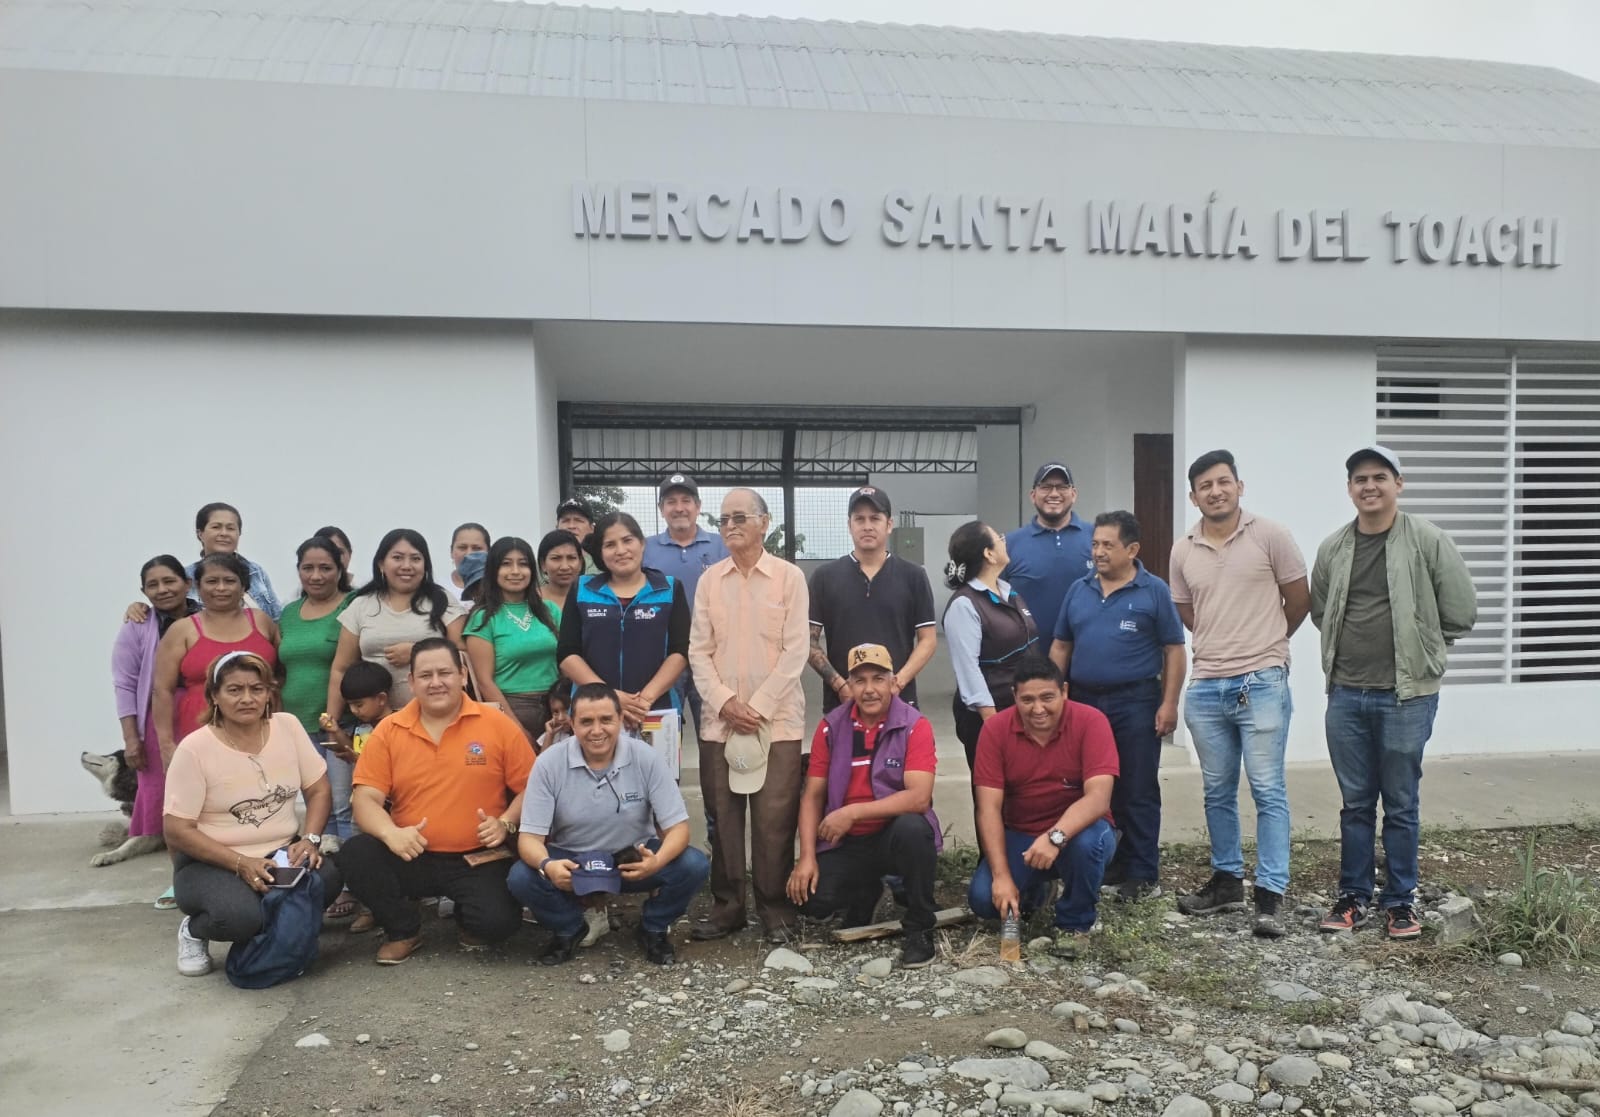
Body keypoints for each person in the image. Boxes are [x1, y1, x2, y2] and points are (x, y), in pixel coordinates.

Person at [1310, 445, 1477, 940]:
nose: (1369, 486)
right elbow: (1322, 611)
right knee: (1355, 804)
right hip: (1346, 694)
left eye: (1379, 477)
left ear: (1398, 484)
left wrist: (1424, 644)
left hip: (1406, 696)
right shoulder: (1334, 548)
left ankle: (1400, 902)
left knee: (1401, 803)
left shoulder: (1427, 540)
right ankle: (1352, 897)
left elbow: (1461, 610)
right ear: (1349, 489)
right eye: (1360, 479)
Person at [1169, 451, 1310, 938]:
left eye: (1223, 481)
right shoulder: (1183, 550)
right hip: (1207, 685)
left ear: (1239, 486)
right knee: (1217, 791)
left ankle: (1270, 895)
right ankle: (1227, 882)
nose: (1216, 491)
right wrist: (1223, 641)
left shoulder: (1271, 535)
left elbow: (1299, 600)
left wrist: (1265, 645)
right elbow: (1189, 611)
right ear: (1193, 497)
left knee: (1267, 789)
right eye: (1205, 486)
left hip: (1262, 682)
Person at [337, 639, 533, 964]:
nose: (436, 682)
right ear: (411, 682)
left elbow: (532, 788)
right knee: (356, 854)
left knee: (497, 924)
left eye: (445, 673)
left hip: (478, 856)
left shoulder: (496, 724)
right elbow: (365, 798)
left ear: (463, 675)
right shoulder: (389, 730)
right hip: (412, 852)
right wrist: (391, 833)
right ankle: (403, 930)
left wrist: (506, 822)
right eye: (425, 675)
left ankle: (467, 918)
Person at [163, 652, 341, 977]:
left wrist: (311, 839)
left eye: (257, 689)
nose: (247, 698)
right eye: (234, 690)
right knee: (239, 917)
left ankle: (281, 930)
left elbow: (318, 790)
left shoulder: (287, 727)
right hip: (211, 862)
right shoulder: (194, 748)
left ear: (269, 693)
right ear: (214, 696)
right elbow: (177, 829)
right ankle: (194, 930)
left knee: (328, 877)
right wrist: (241, 863)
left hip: (279, 852)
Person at [508, 682, 711, 966]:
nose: (597, 730)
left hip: (630, 859)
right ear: (572, 724)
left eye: (606, 720)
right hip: (572, 861)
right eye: (586, 722)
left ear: (620, 720)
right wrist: (548, 866)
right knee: (521, 877)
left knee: (694, 864)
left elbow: (678, 829)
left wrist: (656, 861)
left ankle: (653, 927)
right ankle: (569, 927)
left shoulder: (646, 757)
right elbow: (529, 839)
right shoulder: (548, 763)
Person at [688, 488, 810, 942]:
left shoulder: (789, 578)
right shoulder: (709, 581)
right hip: (720, 722)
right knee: (723, 816)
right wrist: (725, 703)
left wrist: (756, 708)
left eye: (740, 517)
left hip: (776, 721)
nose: (730, 526)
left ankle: (775, 910)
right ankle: (728, 908)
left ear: (765, 522)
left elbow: (796, 651)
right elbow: (698, 651)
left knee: (773, 819)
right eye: (723, 519)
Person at [1049, 511, 1185, 901]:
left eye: (1108, 545)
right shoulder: (1079, 590)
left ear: (1132, 549)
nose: (1098, 552)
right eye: (1095, 544)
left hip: (1135, 701)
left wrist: (1169, 703)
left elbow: (1174, 650)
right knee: (1090, 785)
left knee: (1137, 787)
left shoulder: (1153, 591)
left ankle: (1142, 871)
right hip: (1085, 703)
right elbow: (1061, 645)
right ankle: (1110, 861)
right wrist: (1055, 697)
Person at [788, 644, 940, 968]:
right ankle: (866, 892)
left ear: (893, 683)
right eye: (860, 680)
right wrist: (806, 857)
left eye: (878, 679)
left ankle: (920, 927)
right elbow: (812, 796)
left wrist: (852, 812)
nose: (869, 689)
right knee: (810, 901)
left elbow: (919, 798)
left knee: (914, 829)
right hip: (847, 841)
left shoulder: (915, 725)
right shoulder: (830, 727)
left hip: (892, 836)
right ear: (849, 685)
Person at [967, 654, 1119, 958]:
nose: (1038, 709)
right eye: (1028, 700)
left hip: (1081, 832)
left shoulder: (1091, 721)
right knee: (984, 901)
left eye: (1047, 697)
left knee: (1087, 845)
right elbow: (988, 809)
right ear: (1014, 696)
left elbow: (1098, 798)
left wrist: (1055, 837)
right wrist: (1001, 876)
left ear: (1064, 691)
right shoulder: (995, 730)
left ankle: (1075, 923)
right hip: (1022, 834)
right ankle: (1036, 891)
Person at [111, 554, 197, 909]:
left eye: (169, 581)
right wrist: (131, 738)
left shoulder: (207, 615)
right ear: (143, 591)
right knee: (167, 798)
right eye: (152, 585)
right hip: (157, 719)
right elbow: (124, 683)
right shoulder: (138, 625)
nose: (162, 590)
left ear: (187, 583)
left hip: (203, 714)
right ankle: (180, 877)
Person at [808, 485, 937, 714]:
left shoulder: (913, 576)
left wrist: (896, 684)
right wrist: (841, 686)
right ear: (849, 525)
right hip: (842, 705)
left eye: (875, 518)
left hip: (899, 703)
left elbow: (928, 640)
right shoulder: (824, 577)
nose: (867, 526)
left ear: (889, 525)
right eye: (859, 519)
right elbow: (808, 642)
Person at [557, 512, 690, 728]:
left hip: (654, 711)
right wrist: (608, 696)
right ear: (600, 552)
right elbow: (567, 653)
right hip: (594, 713)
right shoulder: (581, 589)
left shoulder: (669, 588)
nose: (620, 550)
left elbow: (680, 651)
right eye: (610, 545)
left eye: (627, 540)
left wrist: (643, 700)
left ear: (642, 543)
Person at [152, 553, 279, 769]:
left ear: (243, 586)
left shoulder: (262, 621)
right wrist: (166, 744)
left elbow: (281, 672)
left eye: (229, 581)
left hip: (261, 727)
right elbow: (162, 690)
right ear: (197, 586)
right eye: (212, 581)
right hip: (200, 730)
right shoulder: (182, 630)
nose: (221, 588)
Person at [326, 529, 466, 723]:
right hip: (376, 724)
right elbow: (341, 669)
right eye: (397, 558)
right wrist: (331, 723)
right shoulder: (361, 605)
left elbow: (463, 653)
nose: (406, 566)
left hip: (435, 718)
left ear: (425, 565)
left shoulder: (442, 601)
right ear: (381, 564)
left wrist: (417, 652)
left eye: (415, 559)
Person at [941, 521, 1040, 784]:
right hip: (991, 717)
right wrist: (994, 727)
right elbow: (969, 671)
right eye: (999, 537)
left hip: (1021, 709)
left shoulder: (1008, 592)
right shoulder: (964, 605)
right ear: (988, 553)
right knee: (993, 790)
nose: (1005, 541)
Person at [277, 538, 357, 842]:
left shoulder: (353, 605)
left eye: (325, 568)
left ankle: (351, 865)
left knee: (343, 803)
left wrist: (332, 722)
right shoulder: (288, 613)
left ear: (340, 569)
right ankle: (323, 864)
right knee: (317, 803)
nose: (316, 576)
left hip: (341, 724)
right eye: (307, 568)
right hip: (297, 726)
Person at [641, 474, 729, 733]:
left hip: (713, 656)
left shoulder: (722, 546)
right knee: (662, 732)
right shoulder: (645, 549)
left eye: (686, 501)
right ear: (661, 509)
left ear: (698, 506)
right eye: (671, 502)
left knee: (715, 731)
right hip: (663, 658)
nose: (679, 508)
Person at [317, 660, 393, 933]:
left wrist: (355, 758)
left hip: (387, 807)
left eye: (359, 704)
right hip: (361, 803)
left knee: (383, 860)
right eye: (350, 705)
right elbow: (356, 751)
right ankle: (370, 907)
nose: (354, 711)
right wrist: (336, 733)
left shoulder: (394, 726)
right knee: (364, 857)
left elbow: (387, 765)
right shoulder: (363, 727)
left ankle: (384, 908)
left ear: (381, 699)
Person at [466, 536, 561, 743]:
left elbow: (567, 661)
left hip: (556, 709)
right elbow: (484, 682)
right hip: (512, 708)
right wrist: (516, 729)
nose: (516, 571)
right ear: (493, 570)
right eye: (506, 564)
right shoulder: (483, 618)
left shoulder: (550, 610)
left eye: (523, 564)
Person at [1002, 463, 1093, 652]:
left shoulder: (1096, 538)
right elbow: (992, 601)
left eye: (1062, 487)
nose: (1054, 493)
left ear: (1074, 494)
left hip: (1086, 658)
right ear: (1032, 495)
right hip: (1028, 659)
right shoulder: (1008, 544)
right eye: (1045, 487)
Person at [189, 502, 284, 620]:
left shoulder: (255, 571)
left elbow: (276, 618)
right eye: (216, 527)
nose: (224, 533)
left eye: (230, 528)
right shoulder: (187, 576)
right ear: (200, 534)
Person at [537, 529, 584, 615]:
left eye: (571, 558)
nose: (564, 567)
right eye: (556, 558)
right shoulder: (531, 599)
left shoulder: (592, 599)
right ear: (543, 564)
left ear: (580, 562)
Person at [445, 522, 490, 604]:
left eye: (477, 548)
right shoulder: (437, 588)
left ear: (489, 552)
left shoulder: (500, 587)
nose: (469, 554)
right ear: (451, 551)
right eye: (462, 547)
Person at [556, 497, 601, 574]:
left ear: (592, 528)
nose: (571, 526)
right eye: (566, 521)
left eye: (578, 520)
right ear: (557, 527)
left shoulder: (604, 564)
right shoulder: (543, 565)